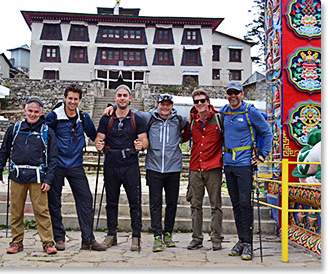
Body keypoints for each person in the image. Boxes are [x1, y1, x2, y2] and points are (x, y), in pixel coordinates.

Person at [104, 93, 187, 252]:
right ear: (157, 104)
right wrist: (113, 106)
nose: (165, 107)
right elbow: (128, 109)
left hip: (173, 168)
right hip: (154, 167)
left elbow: (189, 127)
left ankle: (168, 233)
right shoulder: (149, 117)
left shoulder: (179, 120)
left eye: (168, 104)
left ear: (172, 106)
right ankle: (157, 235)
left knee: (171, 203)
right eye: (162, 104)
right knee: (155, 204)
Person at [0, 96, 58, 255]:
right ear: (25, 111)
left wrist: (48, 179)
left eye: (36, 112)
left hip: (38, 178)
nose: (33, 114)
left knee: (42, 211)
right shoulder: (14, 129)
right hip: (17, 176)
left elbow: (53, 158)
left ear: (41, 112)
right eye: (30, 111)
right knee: (16, 210)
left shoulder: (48, 132)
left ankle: (48, 242)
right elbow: (4, 151)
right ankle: (16, 242)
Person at [45, 84, 106, 251]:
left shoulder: (84, 117)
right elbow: (43, 136)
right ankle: (59, 237)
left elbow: (94, 136)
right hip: (56, 164)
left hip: (76, 164)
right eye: (70, 98)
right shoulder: (53, 117)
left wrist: (100, 144)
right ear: (65, 98)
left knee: (86, 200)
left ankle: (88, 239)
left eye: (76, 99)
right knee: (54, 202)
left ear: (80, 100)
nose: (72, 102)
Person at [220, 81, 272, 260]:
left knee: (245, 203)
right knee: (235, 203)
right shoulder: (224, 111)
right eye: (230, 92)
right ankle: (241, 240)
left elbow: (267, 132)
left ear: (242, 94)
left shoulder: (251, 111)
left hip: (244, 164)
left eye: (236, 92)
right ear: (226, 94)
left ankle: (249, 243)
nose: (233, 95)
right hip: (228, 163)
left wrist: (262, 155)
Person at [95, 84, 149, 252]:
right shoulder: (106, 118)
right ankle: (111, 234)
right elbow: (99, 138)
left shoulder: (137, 118)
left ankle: (136, 236)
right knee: (111, 202)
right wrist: (98, 144)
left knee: (135, 201)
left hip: (130, 164)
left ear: (130, 98)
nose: (122, 98)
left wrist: (142, 145)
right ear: (115, 98)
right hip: (111, 163)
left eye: (125, 95)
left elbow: (144, 140)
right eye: (119, 95)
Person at [181, 89, 224, 251]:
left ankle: (216, 238)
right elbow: (183, 137)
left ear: (208, 101)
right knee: (195, 205)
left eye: (202, 101)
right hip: (195, 167)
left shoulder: (219, 119)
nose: (199, 104)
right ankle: (197, 238)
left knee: (216, 205)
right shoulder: (192, 120)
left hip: (213, 167)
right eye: (196, 101)